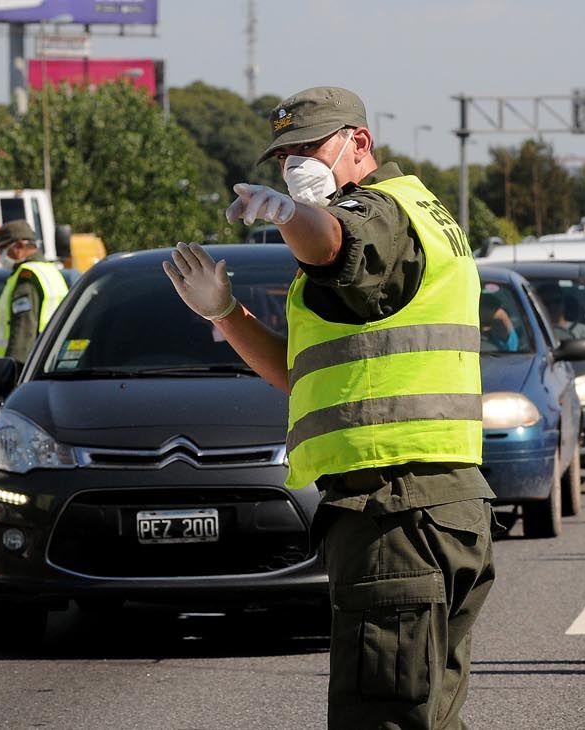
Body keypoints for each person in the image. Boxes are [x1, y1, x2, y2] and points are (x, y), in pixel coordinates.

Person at [162, 86, 495, 730]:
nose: (293, 166)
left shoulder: (378, 212)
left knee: (382, 717)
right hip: (429, 506)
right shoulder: (421, 216)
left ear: (359, 144)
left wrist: (291, 217)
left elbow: (334, 243)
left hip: (396, 512)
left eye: (307, 149)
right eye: (283, 157)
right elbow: (302, 374)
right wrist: (226, 314)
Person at [0, 219, 69, 367]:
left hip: (25, 368)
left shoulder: (27, 277)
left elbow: (23, 329)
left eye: (2, 250)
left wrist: (13, 369)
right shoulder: (50, 271)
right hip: (49, 360)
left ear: (19, 246)